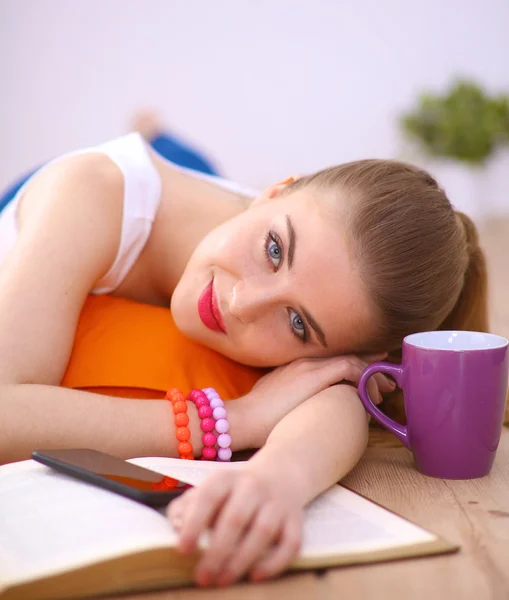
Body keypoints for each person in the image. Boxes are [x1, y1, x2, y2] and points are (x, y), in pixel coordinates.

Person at [0, 112, 487, 587]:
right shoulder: (89, 190)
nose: (241, 303)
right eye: (274, 250)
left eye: (297, 323)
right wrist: (236, 418)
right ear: (275, 189)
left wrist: (277, 480)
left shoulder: (328, 288)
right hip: (55, 197)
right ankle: (153, 129)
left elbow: (334, 394)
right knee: (170, 151)